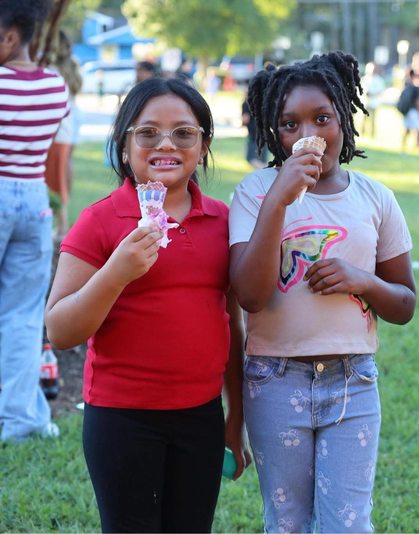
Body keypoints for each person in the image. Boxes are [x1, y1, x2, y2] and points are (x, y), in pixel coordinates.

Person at [44, 78, 250, 532]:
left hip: (200, 416)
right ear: (124, 145)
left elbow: (232, 324)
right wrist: (116, 273)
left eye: (184, 133)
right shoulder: (100, 220)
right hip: (122, 418)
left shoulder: (223, 221)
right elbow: (59, 330)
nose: (166, 144)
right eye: (148, 132)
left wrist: (235, 414)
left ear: (204, 146)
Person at [229, 51, 416, 532]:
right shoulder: (255, 192)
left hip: (353, 381)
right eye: (289, 124)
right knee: (287, 523)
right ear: (273, 131)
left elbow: (405, 304)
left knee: (348, 524)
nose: (307, 134)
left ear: (344, 120)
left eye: (322, 118)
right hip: (274, 379)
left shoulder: (375, 198)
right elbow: (250, 296)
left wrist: (364, 281)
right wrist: (279, 199)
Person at [0, 0, 69, 442]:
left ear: (10, 36)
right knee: (23, 315)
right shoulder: (55, 86)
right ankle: (21, 419)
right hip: (34, 199)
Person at [44, 30, 82, 237]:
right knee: (62, 173)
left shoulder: (51, 70)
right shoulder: (70, 67)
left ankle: (62, 226)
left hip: (56, 130)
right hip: (68, 128)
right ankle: (61, 224)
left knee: (54, 180)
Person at [401, 68, 419, 153]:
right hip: (413, 111)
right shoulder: (416, 86)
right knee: (416, 129)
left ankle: (404, 147)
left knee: (408, 129)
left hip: (407, 111)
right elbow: (418, 101)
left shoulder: (407, 85)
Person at [361, 61, 385, 137]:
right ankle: (362, 133)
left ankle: (372, 134)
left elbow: (380, 91)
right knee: (364, 119)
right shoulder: (364, 79)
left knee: (373, 119)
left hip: (374, 103)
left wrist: (372, 94)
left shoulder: (379, 79)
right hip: (365, 102)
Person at [242, 97, 267, 169]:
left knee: (251, 158)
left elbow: (245, 119)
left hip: (254, 135)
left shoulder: (247, 102)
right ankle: (266, 171)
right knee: (262, 160)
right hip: (265, 133)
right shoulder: (262, 101)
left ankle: (266, 171)